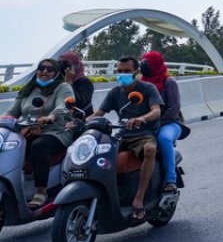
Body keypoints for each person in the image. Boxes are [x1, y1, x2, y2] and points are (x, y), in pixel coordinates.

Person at [87, 57, 163, 220]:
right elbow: (99, 113)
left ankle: (139, 197)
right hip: (121, 135)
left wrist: (142, 118)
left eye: (127, 71)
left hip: (142, 134)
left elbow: (156, 110)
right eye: (119, 71)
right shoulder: (115, 92)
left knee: (150, 149)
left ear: (136, 71)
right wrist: (80, 123)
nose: (122, 74)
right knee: (98, 155)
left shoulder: (148, 88)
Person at [0, 58, 75, 208]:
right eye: (41, 68)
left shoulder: (63, 87)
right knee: (8, 146)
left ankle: (41, 190)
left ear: (56, 72)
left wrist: (51, 116)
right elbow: (12, 111)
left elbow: (64, 106)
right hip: (29, 132)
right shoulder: (28, 89)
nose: (45, 71)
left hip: (56, 131)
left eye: (49, 69)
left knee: (38, 146)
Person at [140, 51, 190, 194]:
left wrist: (155, 122)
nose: (144, 66)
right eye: (143, 62)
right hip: (147, 123)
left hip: (169, 123)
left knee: (163, 138)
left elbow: (174, 109)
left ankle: (170, 180)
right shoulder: (141, 83)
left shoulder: (168, 82)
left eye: (148, 63)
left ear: (156, 65)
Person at [58, 51, 94, 136]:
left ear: (75, 65)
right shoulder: (59, 82)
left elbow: (79, 103)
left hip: (81, 121)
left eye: (65, 63)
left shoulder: (85, 82)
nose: (62, 66)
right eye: (59, 63)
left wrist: (69, 82)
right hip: (62, 121)